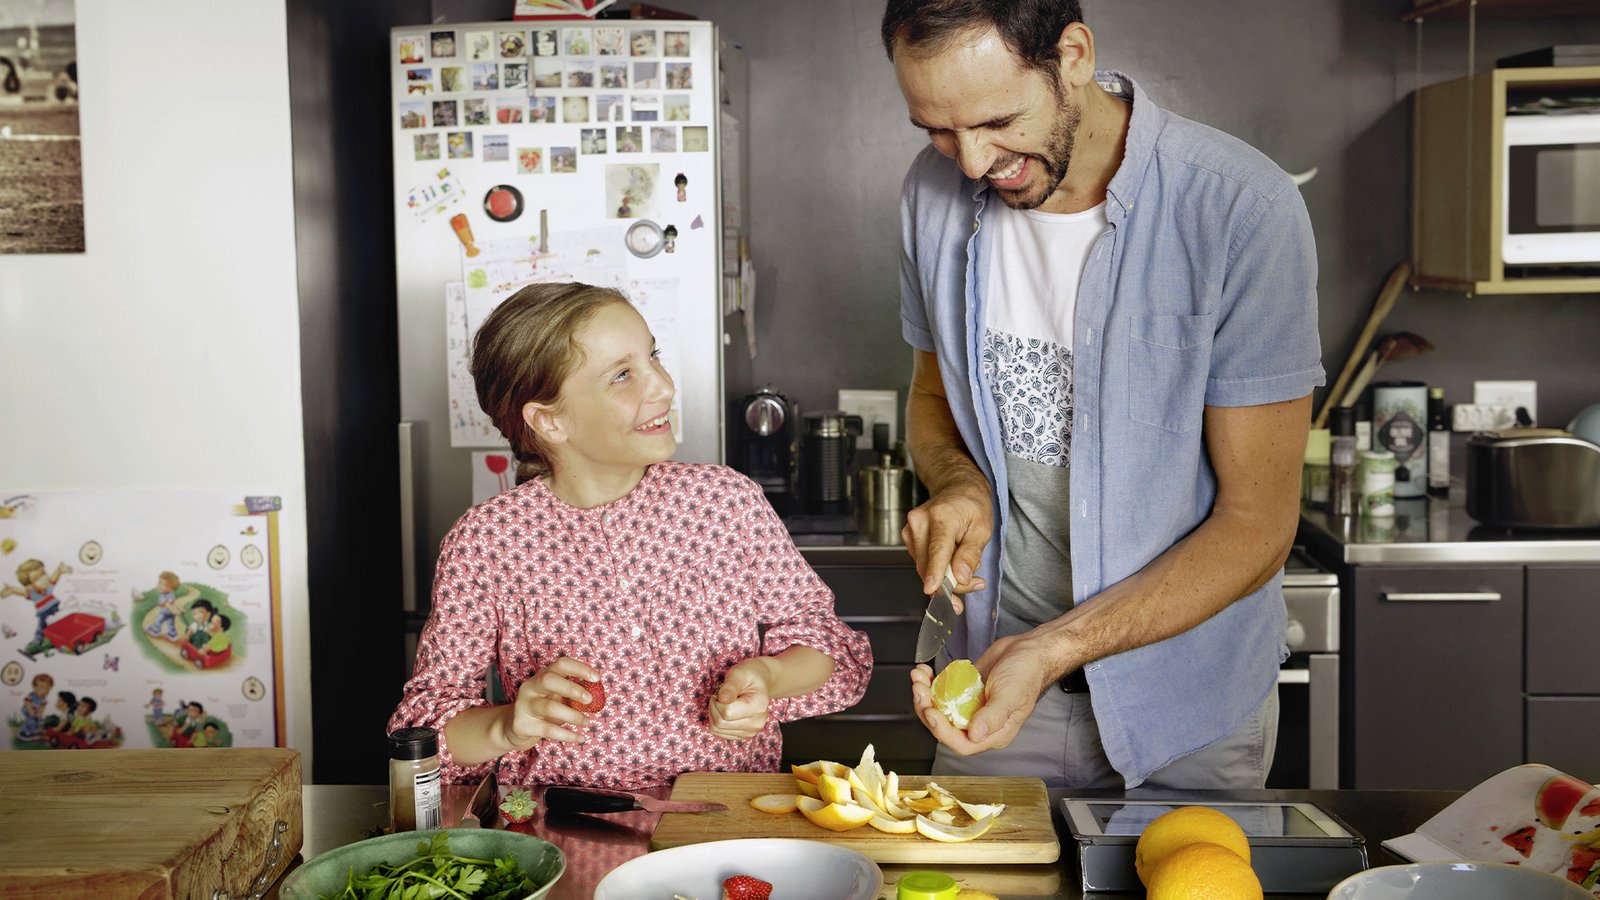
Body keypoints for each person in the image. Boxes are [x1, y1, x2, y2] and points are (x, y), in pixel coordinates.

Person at [882, 0, 1323, 790]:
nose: (973, 163)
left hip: (1188, 707)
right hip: (986, 684)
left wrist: (1053, 649)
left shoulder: (1240, 208)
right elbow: (930, 396)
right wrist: (958, 485)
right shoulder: (930, 194)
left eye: (998, 121)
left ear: (1074, 55)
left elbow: (1259, 526)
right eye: (939, 131)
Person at [389, 282, 872, 789]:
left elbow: (825, 647)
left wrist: (770, 679)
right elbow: (425, 727)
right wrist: (508, 725)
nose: (663, 386)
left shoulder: (724, 502)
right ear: (550, 420)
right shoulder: (487, 541)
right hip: (565, 830)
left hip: (726, 818)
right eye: (623, 375)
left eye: (653, 357)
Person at [3, 559, 71, 647]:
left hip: (55, 608)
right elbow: (22, 592)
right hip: (43, 613)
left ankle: (62, 635)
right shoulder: (32, 593)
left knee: (60, 621)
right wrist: (12, 590)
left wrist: (59, 570)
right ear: (30, 585)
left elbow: (53, 579)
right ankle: (38, 640)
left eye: (43, 574)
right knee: (41, 627)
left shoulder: (48, 588)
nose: (43, 578)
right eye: (37, 579)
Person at [146, 572, 198, 641]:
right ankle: (172, 635)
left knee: (158, 621)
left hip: (164, 613)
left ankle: (154, 631)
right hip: (171, 613)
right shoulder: (170, 594)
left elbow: (168, 605)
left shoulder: (163, 596)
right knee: (171, 624)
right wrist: (177, 610)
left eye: (163, 584)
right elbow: (173, 603)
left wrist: (177, 609)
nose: (159, 585)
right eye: (159, 582)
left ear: (171, 589)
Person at [17, 673, 52, 742]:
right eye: (42, 687)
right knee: (30, 721)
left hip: (36, 711)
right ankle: (23, 733)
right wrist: (31, 711)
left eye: (48, 689)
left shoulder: (43, 699)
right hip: (27, 710)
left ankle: (33, 731)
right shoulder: (32, 696)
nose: (45, 691)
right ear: (35, 688)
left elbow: (42, 707)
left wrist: (40, 714)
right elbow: (27, 702)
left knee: (38, 721)